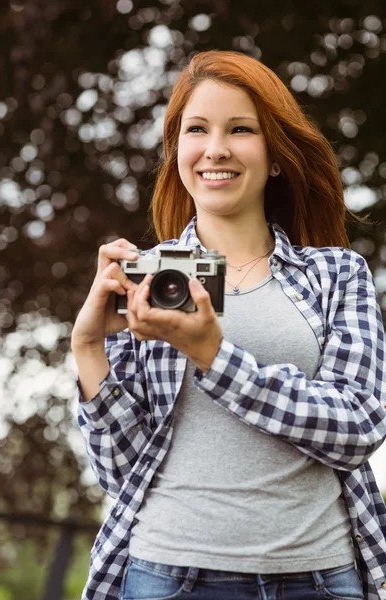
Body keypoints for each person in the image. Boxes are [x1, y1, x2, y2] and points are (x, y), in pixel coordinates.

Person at [72, 50, 386, 600]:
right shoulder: (149, 280)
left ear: (277, 156)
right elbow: (125, 472)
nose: (215, 148)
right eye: (197, 129)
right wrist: (88, 347)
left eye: (240, 129)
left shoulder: (338, 275)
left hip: (321, 578)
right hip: (167, 575)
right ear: (177, 152)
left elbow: (356, 427)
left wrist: (216, 357)